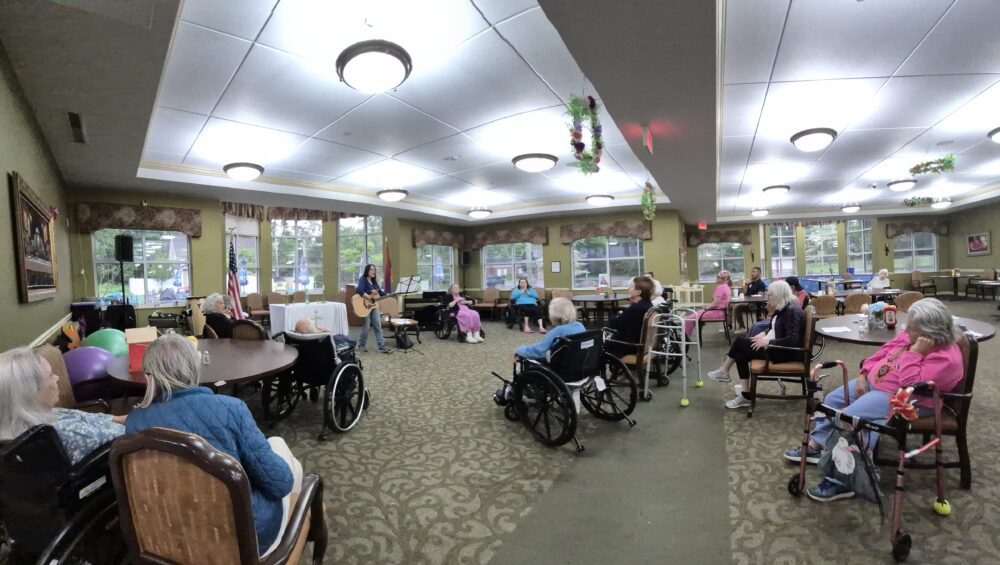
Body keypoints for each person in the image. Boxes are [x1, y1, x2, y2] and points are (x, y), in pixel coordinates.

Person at [124, 334, 300, 554]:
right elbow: (280, 484)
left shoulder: (134, 423)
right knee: (282, 450)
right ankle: (302, 527)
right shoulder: (231, 408)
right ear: (194, 367)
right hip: (242, 539)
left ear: (149, 376)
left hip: (171, 536)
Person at [782, 298, 963, 503]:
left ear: (930, 333)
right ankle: (818, 445)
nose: (906, 331)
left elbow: (909, 383)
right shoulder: (912, 336)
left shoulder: (946, 359)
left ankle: (843, 481)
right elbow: (884, 353)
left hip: (902, 399)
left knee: (847, 419)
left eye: (911, 328)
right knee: (832, 401)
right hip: (873, 383)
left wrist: (914, 354)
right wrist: (864, 373)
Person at [0, 347, 125, 465]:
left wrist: (122, 419)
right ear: (30, 392)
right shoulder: (65, 432)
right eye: (50, 376)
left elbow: (85, 418)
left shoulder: (34, 417)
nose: (57, 378)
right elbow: (128, 436)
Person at [706, 280, 805, 410]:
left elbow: (792, 341)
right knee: (741, 353)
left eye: (770, 295)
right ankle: (746, 395)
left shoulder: (792, 311)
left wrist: (768, 342)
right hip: (774, 347)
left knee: (740, 342)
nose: (768, 298)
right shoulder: (783, 308)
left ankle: (724, 371)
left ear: (779, 295)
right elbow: (773, 328)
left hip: (782, 352)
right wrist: (763, 334)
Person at [605, 276, 655, 357]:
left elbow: (614, 324)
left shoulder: (636, 308)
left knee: (599, 341)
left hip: (628, 348)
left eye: (631, 287)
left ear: (638, 292)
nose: (628, 289)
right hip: (642, 346)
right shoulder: (649, 306)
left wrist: (616, 316)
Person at [684, 271, 733, 338]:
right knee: (696, 314)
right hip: (722, 312)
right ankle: (687, 334)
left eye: (718, 277)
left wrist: (706, 308)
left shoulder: (720, 288)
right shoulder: (727, 287)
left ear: (723, 279)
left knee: (689, 319)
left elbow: (715, 304)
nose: (716, 278)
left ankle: (684, 338)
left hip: (717, 312)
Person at [357, 264, 391, 353]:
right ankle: (361, 344)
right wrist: (369, 296)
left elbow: (381, 292)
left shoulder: (374, 282)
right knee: (366, 326)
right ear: (367, 270)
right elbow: (360, 290)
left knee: (378, 326)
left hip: (374, 306)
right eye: (371, 269)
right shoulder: (363, 279)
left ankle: (381, 345)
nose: (373, 271)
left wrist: (389, 295)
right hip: (365, 306)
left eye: (374, 269)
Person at [733, 267, 767, 331]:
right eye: (751, 272)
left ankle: (759, 328)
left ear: (759, 273)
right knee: (737, 308)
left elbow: (760, 296)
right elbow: (744, 293)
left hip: (756, 304)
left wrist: (752, 300)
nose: (752, 273)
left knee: (756, 309)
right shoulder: (750, 283)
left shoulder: (761, 284)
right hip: (748, 303)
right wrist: (746, 284)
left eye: (754, 272)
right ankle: (742, 327)